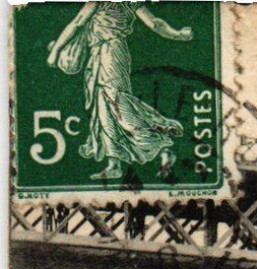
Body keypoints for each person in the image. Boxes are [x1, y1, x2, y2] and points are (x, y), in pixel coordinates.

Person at [47, 3, 193, 180]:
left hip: (110, 53)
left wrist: (55, 51)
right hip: (99, 54)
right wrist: (178, 35)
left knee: (117, 104)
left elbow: (78, 21)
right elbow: (154, 23)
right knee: (102, 108)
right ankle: (114, 164)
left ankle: (161, 147)